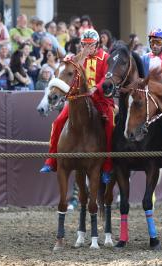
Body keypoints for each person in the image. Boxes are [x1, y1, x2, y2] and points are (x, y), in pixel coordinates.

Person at [40, 29, 115, 185]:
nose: (87, 48)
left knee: (110, 124)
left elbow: (108, 77)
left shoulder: (106, 58)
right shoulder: (75, 58)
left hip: (100, 99)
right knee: (58, 122)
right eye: (84, 45)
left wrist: (97, 88)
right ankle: (51, 160)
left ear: (97, 44)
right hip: (78, 99)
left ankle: (107, 166)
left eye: (91, 45)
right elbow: (65, 67)